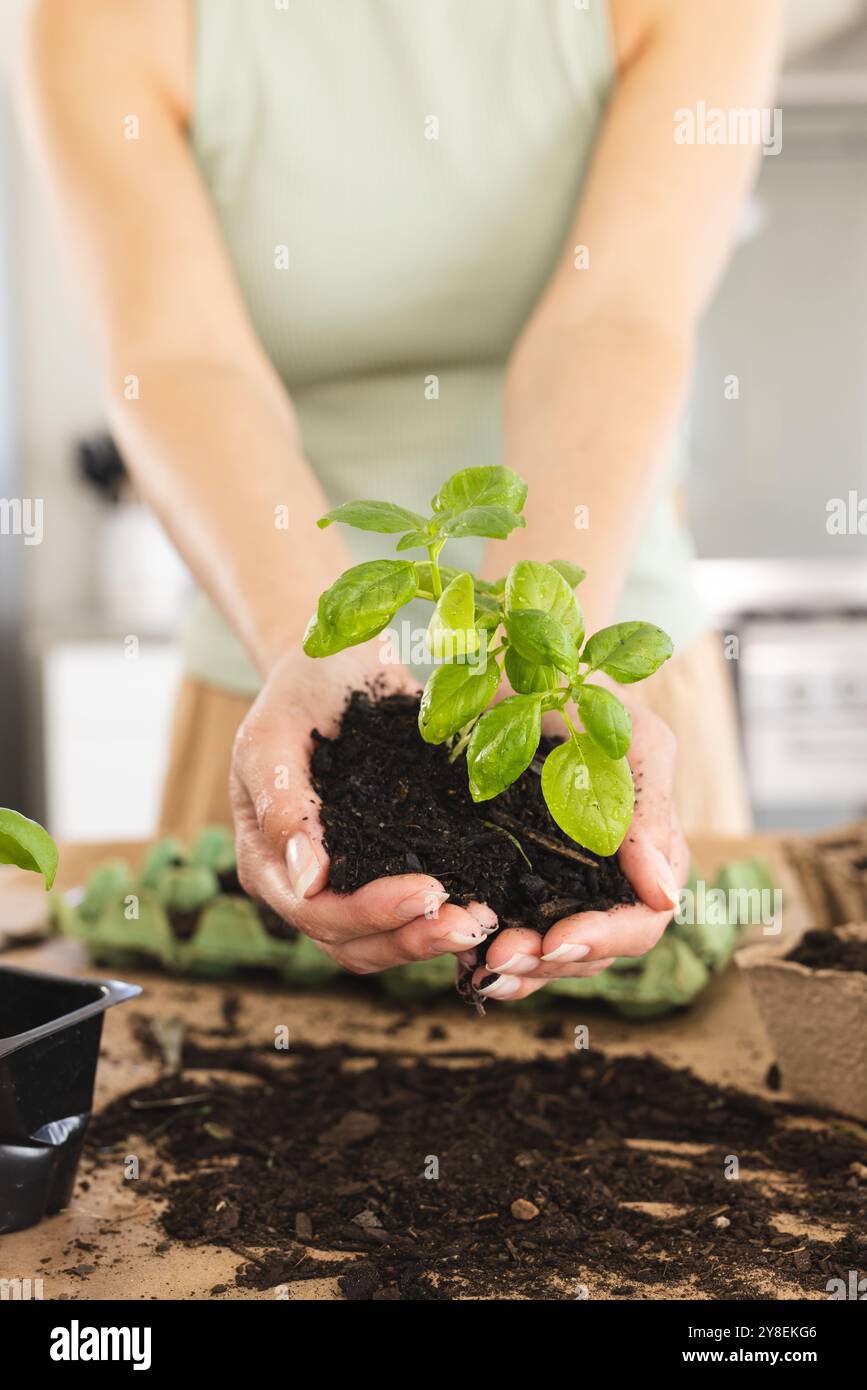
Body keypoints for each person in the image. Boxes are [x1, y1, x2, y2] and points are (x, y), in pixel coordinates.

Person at [19, 0, 782, 1001]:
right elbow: (176, 358)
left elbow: (615, 318)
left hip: (604, 673)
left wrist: (534, 666)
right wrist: (315, 643)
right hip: (280, 687)